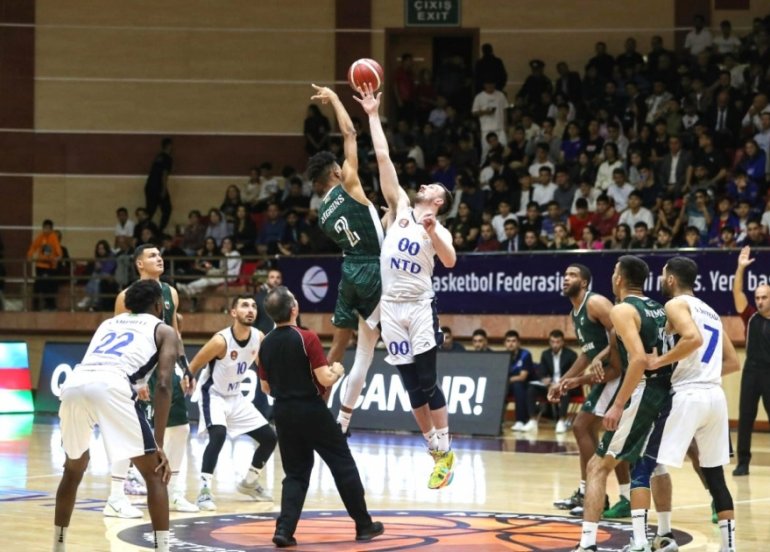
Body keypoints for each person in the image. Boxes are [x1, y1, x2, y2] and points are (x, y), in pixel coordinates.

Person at [357, 82, 457, 489]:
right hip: (391, 309)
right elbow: (383, 157)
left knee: (428, 382)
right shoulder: (399, 205)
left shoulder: (440, 228)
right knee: (409, 387)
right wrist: (371, 114)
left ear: (439, 202)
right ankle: (436, 452)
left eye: (434, 188)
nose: (426, 185)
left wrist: (432, 233)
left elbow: (450, 260)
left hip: (418, 306)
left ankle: (446, 449)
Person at [53, 280, 177, 552]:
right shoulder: (165, 330)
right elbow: (165, 384)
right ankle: (163, 549)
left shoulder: (109, 323)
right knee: (156, 474)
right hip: (111, 385)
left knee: (73, 469)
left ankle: (58, 546)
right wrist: (158, 443)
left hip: (74, 384)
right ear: (159, 305)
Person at [257, 286, 384, 547]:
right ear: (294, 309)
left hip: (282, 412)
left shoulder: (265, 343)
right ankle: (363, 525)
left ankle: (284, 530)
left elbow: (265, 388)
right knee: (342, 463)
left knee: (295, 473)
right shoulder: (306, 337)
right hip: (311, 410)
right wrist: (336, 370)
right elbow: (324, 377)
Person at [573, 256, 674, 552]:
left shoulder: (622, 309)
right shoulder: (659, 307)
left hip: (644, 391)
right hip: (668, 392)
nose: (613, 275)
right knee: (653, 466)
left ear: (619, 278)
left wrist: (617, 404)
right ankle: (661, 533)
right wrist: (602, 355)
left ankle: (587, 544)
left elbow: (639, 358)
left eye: (614, 271)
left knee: (597, 466)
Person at [646, 257, 740, 552]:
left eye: (663, 275)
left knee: (651, 464)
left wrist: (659, 361)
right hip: (715, 396)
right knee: (716, 476)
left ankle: (664, 536)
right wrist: (704, 372)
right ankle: (729, 547)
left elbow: (692, 338)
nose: (661, 280)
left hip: (688, 395)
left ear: (671, 279)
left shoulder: (675, 305)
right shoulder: (711, 311)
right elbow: (733, 361)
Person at [307, 84, 384, 436]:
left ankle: (319, 409)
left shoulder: (322, 213)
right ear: (336, 173)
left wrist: (381, 222)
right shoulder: (350, 183)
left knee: (339, 345)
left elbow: (359, 228)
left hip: (349, 270)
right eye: (341, 165)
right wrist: (336, 99)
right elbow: (351, 132)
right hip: (372, 267)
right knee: (394, 332)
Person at [105, 244, 198, 517]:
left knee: (180, 428)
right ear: (138, 264)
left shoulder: (171, 293)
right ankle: (115, 495)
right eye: (152, 256)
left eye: (160, 255)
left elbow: (176, 334)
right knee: (130, 433)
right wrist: (137, 379)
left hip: (167, 370)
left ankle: (177, 491)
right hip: (138, 372)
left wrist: (185, 367)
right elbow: (119, 338)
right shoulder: (126, 297)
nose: (159, 259)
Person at [550, 265, 629, 518]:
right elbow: (587, 352)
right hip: (603, 376)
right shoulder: (575, 312)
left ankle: (594, 492)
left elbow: (621, 330)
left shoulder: (595, 303)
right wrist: (563, 380)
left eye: (571, 275)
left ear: (584, 283)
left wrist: (604, 354)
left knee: (582, 426)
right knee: (595, 431)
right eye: (564, 275)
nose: (565, 279)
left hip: (618, 373)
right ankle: (595, 493)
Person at [188, 295, 277, 510]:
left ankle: (249, 482)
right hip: (214, 394)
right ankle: (204, 490)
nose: (250, 310)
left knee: (269, 438)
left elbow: (261, 364)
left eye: (254, 306)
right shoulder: (221, 340)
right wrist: (186, 380)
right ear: (233, 312)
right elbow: (194, 364)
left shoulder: (259, 337)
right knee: (218, 435)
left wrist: (268, 382)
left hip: (236, 397)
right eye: (244, 306)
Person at [732, 246, 770, 476]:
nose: (760, 301)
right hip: (751, 372)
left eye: (764, 297)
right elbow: (737, 292)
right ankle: (743, 462)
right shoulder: (750, 316)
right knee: (745, 417)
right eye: (757, 297)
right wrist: (740, 268)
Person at [524, 330, 577, 433]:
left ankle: (561, 421)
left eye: (558, 342)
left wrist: (560, 383)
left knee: (564, 390)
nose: (555, 345)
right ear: (549, 342)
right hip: (550, 385)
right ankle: (532, 420)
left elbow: (575, 373)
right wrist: (544, 379)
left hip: (566, 385)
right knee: (531, 389)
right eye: (552, 342)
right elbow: (542, 372)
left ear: (562, 342)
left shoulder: (571, 355)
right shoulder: (545, 354)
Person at [27, 219, 62, 311]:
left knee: (48, 286)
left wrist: (57, 258)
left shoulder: (53, 237)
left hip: (50, 266)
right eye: (44, 228)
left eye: (47, 228)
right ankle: (36, 305)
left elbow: (59, 252)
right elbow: (33, 246)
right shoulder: (40, 237)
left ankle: (50, 305)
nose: (45, 230)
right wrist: (30, 255)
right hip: (40, 266)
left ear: (51, 229)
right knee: (38, 285)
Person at [145, 137, 173, 232]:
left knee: (150, 211)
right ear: (169, 146)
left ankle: (144, 228)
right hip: (158, 187)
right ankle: (159, 231)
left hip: (149, 186)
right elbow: (164, 174)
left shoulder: (158, 157)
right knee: (167, 209)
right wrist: (164, 189)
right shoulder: (167, 158)